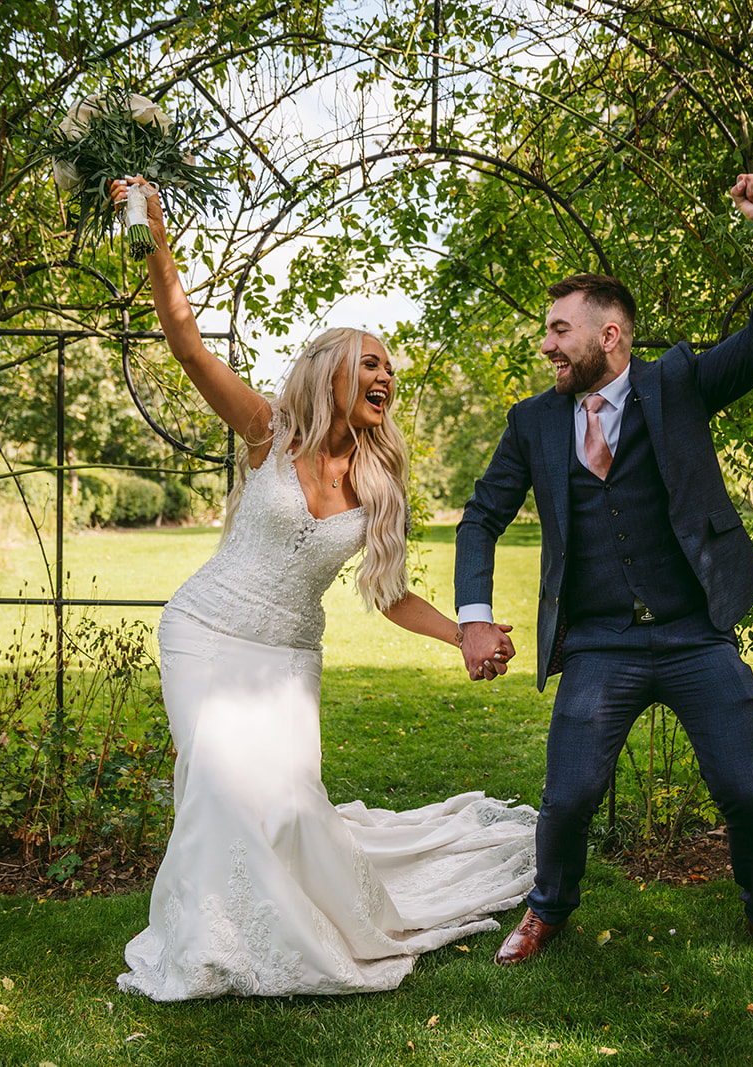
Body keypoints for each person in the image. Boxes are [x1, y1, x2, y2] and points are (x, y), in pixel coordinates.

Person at [109, 177, 532, 1000]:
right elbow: (189, 346)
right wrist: (154, 230)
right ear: (333, 369)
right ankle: (205, 946)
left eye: (389, 369)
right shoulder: (268, 431)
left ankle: (268, 923)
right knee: (217, 774)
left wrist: (463, 634)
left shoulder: (380, 485)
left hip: (287, 659)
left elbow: (388, 593)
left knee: (295, 810)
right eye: (370, 361)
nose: (385, 375)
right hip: (205, 630)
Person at [453, 173, 753, 980]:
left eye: (559, 329)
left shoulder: (677, 382)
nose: (546, 344)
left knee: (748, 789)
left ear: (611, 336)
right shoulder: (532, 422)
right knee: (571, 796)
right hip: (598, 643)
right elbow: (481, 515)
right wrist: (473, 615)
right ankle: (548, 907)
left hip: (695, 635)